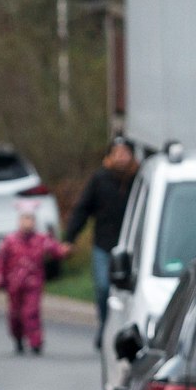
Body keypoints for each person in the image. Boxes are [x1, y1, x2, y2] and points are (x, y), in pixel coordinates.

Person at [62, 136, 140, 347]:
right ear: (110, 156)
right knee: (104, 288)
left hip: (131, 247)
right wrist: (69, 238)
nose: (121, 157)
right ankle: (105, 327)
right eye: (117, 153)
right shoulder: (100, 179)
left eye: (125, 153)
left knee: (131, 291)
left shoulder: (139, 180)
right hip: (104, 246)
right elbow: (82, 209)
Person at [0, 202, 70, 355]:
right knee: (15, 313)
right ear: (19, 221)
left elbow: (55, 249)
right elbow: (1, 260)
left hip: (33, 283)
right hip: (14, 284)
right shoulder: (10, 240)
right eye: (24, 219)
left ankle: (35, 341)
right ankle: (18, 337)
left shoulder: (40, 239)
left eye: (31, 219)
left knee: (31, 311)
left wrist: (63, 251)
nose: (28, 223)